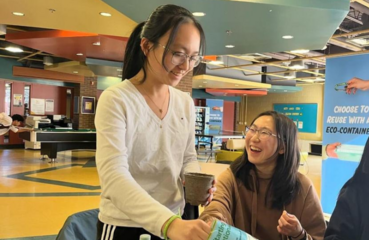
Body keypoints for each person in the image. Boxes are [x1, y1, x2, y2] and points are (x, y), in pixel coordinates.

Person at [95, 5, 215, 240]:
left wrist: (195, 182)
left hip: (176, 219)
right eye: (178, 53)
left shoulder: (184, 103)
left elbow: (187, 158)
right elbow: (113, 176)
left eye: (193, 57)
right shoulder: (117, 99)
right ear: (147, 45)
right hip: (125, 225)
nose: (185, 66)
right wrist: (168, 224)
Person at [200, 111, 326, 240]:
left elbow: (318, 236)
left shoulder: (302, 186)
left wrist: (299, 234)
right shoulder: (233, 176)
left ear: (283, 146)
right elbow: (217, 206)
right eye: (252, 129)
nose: (255, 138)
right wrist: (212, 222)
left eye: (265, 132)